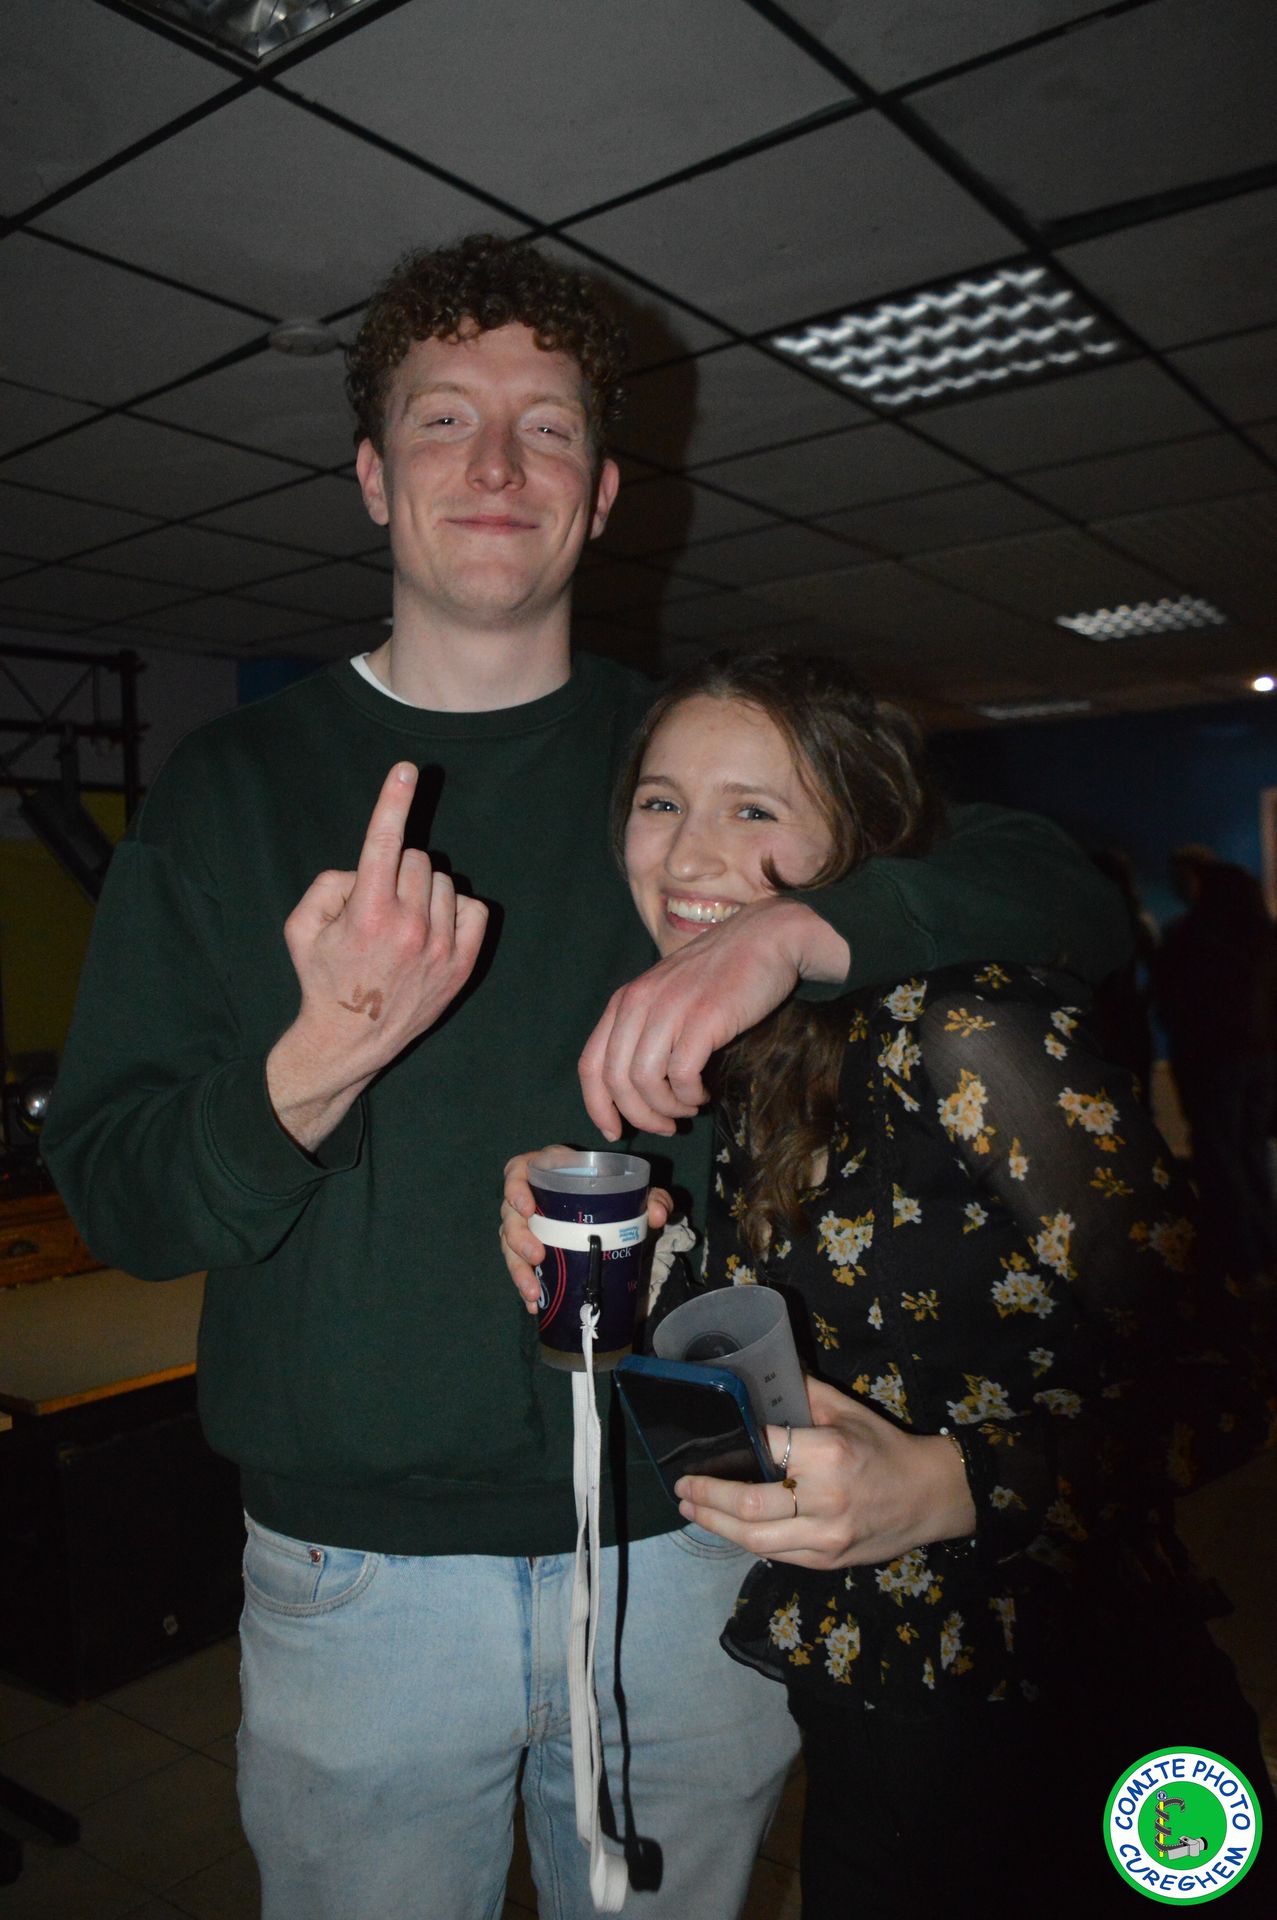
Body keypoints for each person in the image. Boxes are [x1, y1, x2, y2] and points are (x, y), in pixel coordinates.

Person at [44, 236, 1133, 1920]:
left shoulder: (689, 765)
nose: (496, 465)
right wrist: (320, 1057)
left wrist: (790, 933)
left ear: (604, 491)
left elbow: (1060, 891)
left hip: (686, 1542)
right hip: (357, 1579)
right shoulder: (228, 785)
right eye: (442, 419)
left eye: (545, 427)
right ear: (371, 477)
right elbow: (121, 1201)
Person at [504, 650, 1277, 1918]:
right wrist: (616, 1267)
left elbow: (1226, 1380)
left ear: (856, 842)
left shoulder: (968, 1025)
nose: (690, 853)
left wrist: (947, 1485)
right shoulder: (750, 1063)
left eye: (755, 808)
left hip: (1087, 1707)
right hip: (871, 1721)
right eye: (660, 802)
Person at [1155, 858, 1277, 1296]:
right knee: (1252, 1153)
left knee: (1221, 1158)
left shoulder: (1191, 936)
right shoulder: (1264, 935)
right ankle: (1265, 1251)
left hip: (1211, 1061)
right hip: (1262, 1058)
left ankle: (1242, 1262)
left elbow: (1171, 1001)